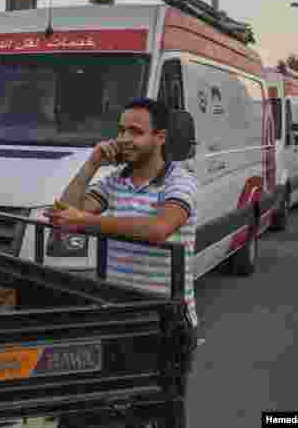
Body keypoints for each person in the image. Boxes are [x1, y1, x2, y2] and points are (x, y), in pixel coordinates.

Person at [47, 97, 198, 423]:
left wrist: (86, 223)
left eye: (135, 131)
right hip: (119, 314)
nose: (124, 139)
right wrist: (91, 165)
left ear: (160, 137)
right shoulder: (114, 181)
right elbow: (65, 214)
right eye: (121, 130)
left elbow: (159, 229)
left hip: (165, 321)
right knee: (96, 414)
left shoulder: (179, 182)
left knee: (160, 414)